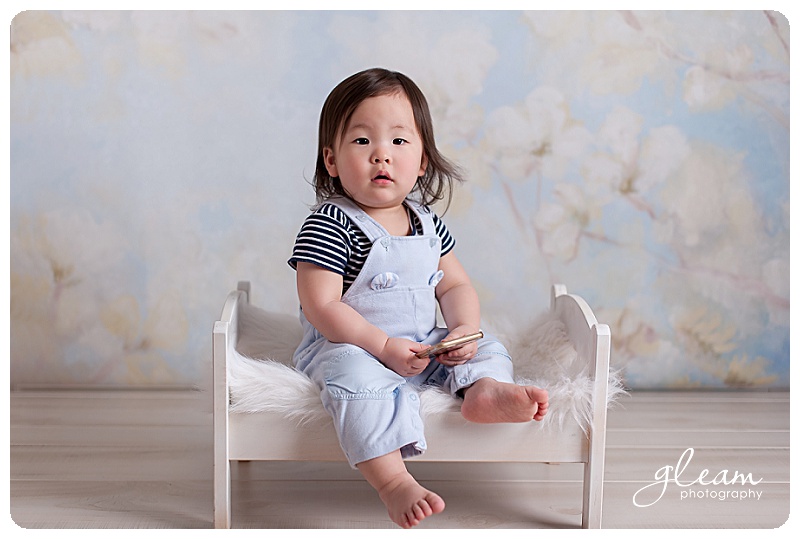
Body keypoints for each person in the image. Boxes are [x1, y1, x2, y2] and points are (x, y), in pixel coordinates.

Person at [288, 67, 549, 528]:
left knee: (488, 345)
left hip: (421, 344)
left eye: (399, 142)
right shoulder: (331, 222)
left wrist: (464, 329)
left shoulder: (427, 223)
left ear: (423, 160)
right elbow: (321, 306)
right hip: (350, 345)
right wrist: (382, 347)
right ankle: (393, 480)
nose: (381, 156)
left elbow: (454, 285)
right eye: (362, 141)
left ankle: (482, 390)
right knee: (355, 381)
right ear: (331, 160)